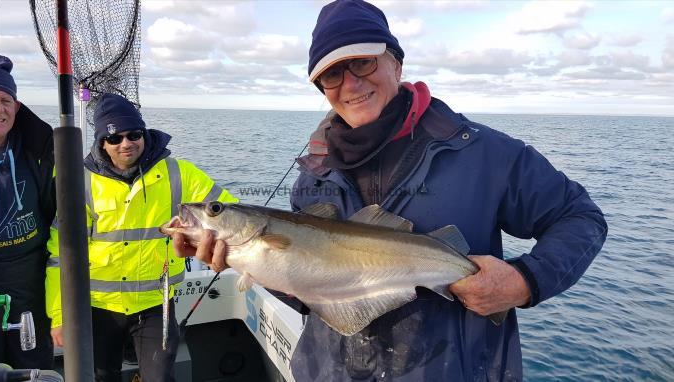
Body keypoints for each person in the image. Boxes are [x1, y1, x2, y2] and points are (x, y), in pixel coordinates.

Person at [175, 0, 608, 380]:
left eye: (362, 62)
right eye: (331, 75)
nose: (351, 84)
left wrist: (524, 280)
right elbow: (312, 292)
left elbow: (580, 217)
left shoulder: (487, 154)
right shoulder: (313, 174)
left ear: (396, 63)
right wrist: (250, 264)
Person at [45, 93, 238, 382]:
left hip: (155, 303)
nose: (126, 143)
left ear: (144, 134)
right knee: (100, 376)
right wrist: (60, 316)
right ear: (101, 143)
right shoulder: (80, 180)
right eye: (114, 138)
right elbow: (62, 254)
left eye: (134, 134)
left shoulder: (179, 173)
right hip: (98, 307)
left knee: (160, 378)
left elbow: (230, 214)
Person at [0, 55, 55, 370]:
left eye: (5, 100)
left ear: (16, 107)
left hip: (28, 277)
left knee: (31, 365)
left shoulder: (38, 149)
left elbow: (57, 210)